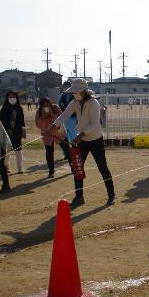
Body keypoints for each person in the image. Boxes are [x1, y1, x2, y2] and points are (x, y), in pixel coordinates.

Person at [48, 78, 115, 207]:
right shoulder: (74, 103)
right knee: (77, 167)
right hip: (82, 141)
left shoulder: (94, 103)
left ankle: (111, 194)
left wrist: (81, 135)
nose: (74, 94)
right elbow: (64, 115)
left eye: (76, 92)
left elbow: (95, 124)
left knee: (102, 167)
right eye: (73, 92)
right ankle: (79, 196)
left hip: (96, 140)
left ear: (84, 91)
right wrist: (53, 125)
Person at [35, 97, 71, 178]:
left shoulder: (55, 107)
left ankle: (73, 167)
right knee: (49, 153)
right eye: (44, 105)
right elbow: (38, 124)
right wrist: (43, 117)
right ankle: (51, 172)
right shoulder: (39, 112)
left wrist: (52, 115)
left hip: (59, 133)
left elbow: (61, 118)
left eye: (48, 104)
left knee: (67, 150)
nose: (46, 107)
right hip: (47, 135)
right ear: (41, 106)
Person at [0, 90, 25, 174]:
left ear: (16, 98)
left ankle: (20, 167)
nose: (12, 98)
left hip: (17, 132)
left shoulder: (19, 108)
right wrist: (5, 131)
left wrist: (23, 132)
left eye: (13, 97)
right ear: (7, 98)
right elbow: (1, 122)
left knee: (18, 150)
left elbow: (22, 121)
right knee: (7, 151)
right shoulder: (4, 109)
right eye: (10, 97)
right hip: (6, 133)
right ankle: (6, 166)